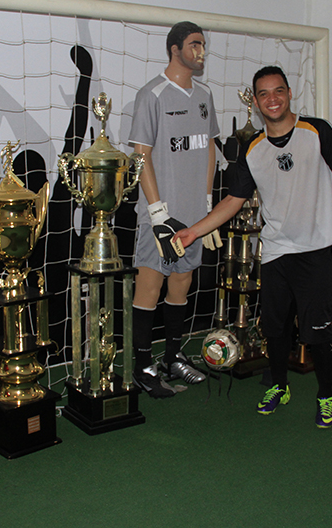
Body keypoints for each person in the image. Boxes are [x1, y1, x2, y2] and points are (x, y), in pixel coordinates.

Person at [174, 65, 332, 427]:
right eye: (264, 94)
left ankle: (325, 395)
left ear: (289, 94)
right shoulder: (253, 149)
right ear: (256, 101)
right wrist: (194, 231)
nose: (272, 99)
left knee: (317, 334)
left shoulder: (317, 131)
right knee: (274, 329)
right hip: (276, 251)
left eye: (278, 91)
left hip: (318, 248)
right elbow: (233, 201)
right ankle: (279, 385)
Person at [129, 21, 221, 397]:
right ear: (174, 49)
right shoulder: (151, 94)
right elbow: (141, 155)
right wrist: (156, 212)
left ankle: (172, 356)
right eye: (194, 45)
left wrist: (208, 201)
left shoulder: (204, 94)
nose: (201, 52)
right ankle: (141, 366)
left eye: (203, 45)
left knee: (182, 280)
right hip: (161, 215)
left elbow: (210, 147)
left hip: (195, 215)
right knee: (150, 283)